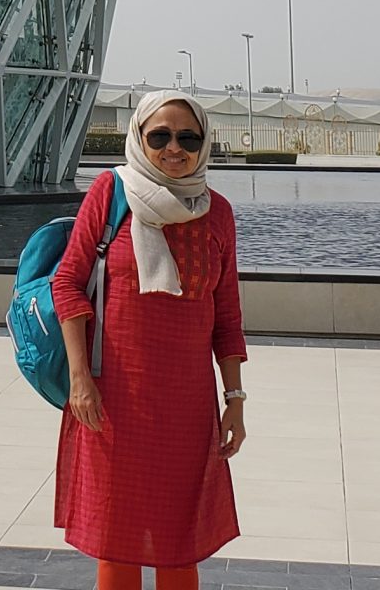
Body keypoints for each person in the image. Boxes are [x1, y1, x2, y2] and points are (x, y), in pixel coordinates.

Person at [50, 91, 246, 590]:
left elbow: (226, 315)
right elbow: (68, 282)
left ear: (204, 144)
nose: (173, 148)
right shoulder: (111, 192)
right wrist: (80, 381)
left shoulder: (216, 211)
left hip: (187, 403)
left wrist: (235, 399)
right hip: (114, 395)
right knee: (118, 537)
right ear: (139, 138)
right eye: (159, 136)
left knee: (181, 540)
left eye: (187, 137)